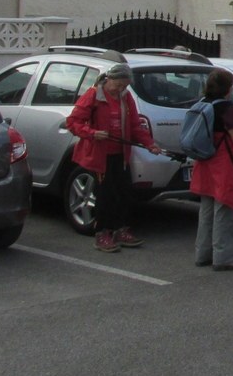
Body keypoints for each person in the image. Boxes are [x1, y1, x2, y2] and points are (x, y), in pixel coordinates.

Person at [66, 63, 163, 253]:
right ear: (109, 79)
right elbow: (73, 122)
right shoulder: (94, 95)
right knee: (105, 195)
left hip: (121, 153)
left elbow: (135, 125)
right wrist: (92, 133)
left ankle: (121, 230)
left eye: (124, 86)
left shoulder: (126, 98)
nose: (120, 89)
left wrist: (149, 143)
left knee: (123, 192)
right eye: (118, 85)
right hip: (100, 154)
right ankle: (103, 233)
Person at [190, 68, 233, 270]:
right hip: (223, 163)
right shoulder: (226, 107)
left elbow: (219, 131)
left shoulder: (202, 103)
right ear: (228, 88)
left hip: (205, 161)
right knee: (224, 210)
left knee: (206, 210)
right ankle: (223, 257)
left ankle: (202, 254)